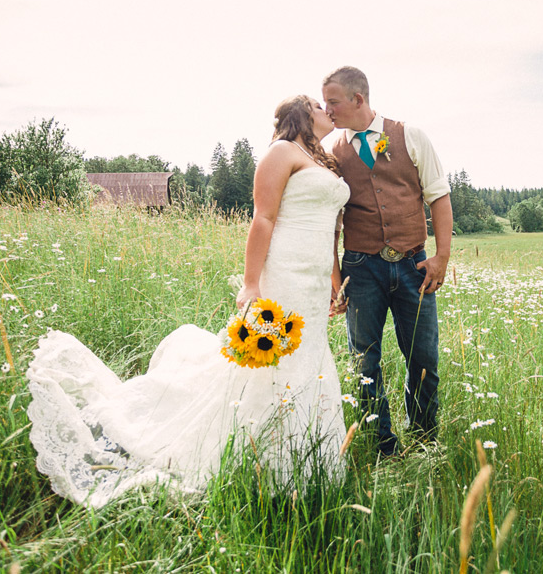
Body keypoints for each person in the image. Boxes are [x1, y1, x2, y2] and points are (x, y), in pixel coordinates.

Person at [26, 96, 350, 508]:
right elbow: (263, 218)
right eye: (321, 106)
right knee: (266, 363)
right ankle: (254, 455)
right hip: (283, 272)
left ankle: (302, 460)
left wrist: (335, 282)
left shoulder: (325, 162)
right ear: (303, 115)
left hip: (315, 277)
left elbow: (331, 231)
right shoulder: (281, 152)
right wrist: (251, 284)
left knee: (308, 358)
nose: (329, 111)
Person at [322, 66, 452, 456]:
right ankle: (383, 446)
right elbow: (332, 222)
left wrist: (441, 258)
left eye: (333, 101)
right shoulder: (333, 155)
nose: (327, 110)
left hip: (415, 266)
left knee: (423, 357)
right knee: (364, 361)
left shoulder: (410, 136)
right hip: (361, 270)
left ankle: (425, 439)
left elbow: (439, 197)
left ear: (358, 99)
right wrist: (335, 279)